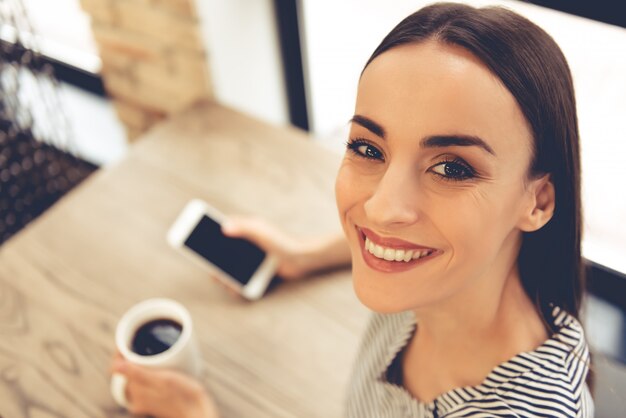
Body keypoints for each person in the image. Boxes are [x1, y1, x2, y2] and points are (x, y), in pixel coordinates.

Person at [111, 2, 593, 417]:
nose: (382, 209)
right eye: (368, 149)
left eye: (451, 169)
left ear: (538, 201)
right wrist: (304, 254)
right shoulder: (429, 278)